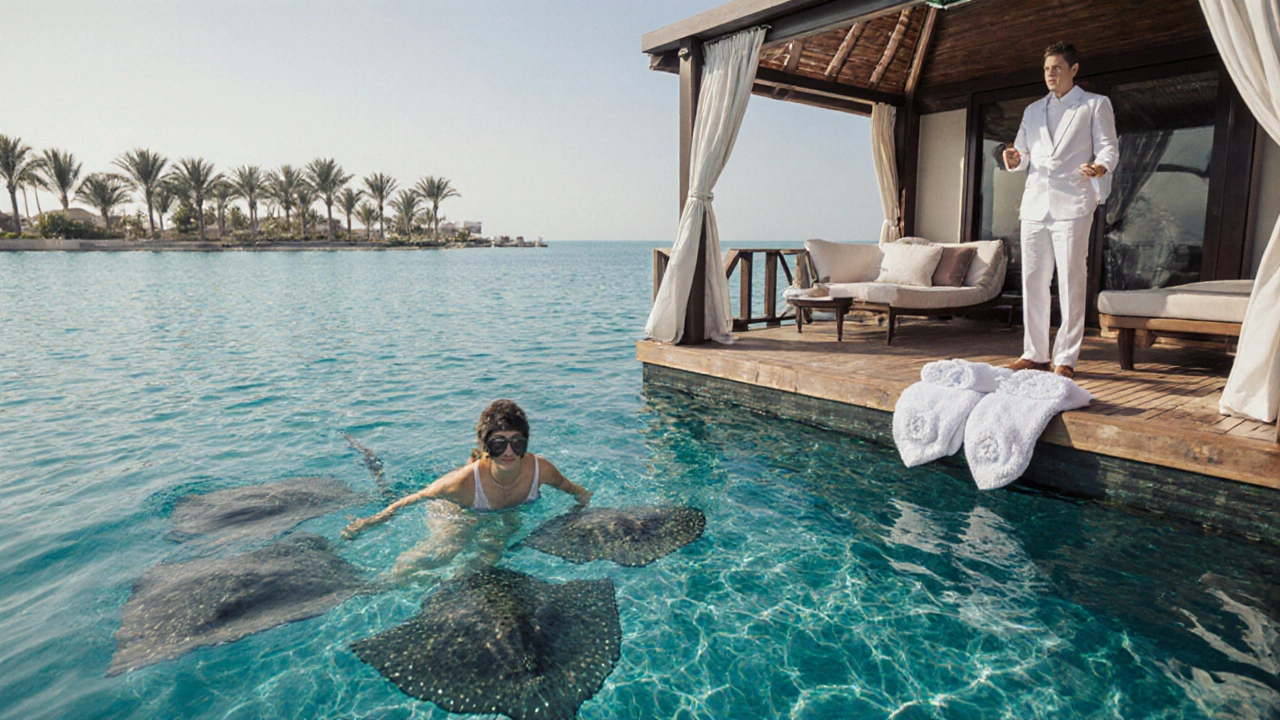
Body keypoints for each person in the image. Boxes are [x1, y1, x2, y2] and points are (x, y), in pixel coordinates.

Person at [342, 399, 591, 578]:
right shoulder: (461, 482)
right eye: (498, 444)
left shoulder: (541, 470)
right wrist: (368, 523)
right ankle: (382, 583)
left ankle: (448, 584)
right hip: (458, 511)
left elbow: (579, 493)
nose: (508, 452)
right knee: (446, 549)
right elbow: (415, 498)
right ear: (485, 448)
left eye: (516, 443)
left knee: (490, 557)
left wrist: (575, 519)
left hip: (505, 513)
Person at [1002, 42, 1118, 380]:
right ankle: (1035, 354)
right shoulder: (1033, 110)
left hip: (1073, 203)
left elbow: (1109, 146)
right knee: (1033, 281)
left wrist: (1100, 166)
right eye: (1046, 69)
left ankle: (1065, 358)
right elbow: (1021, 152)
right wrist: (1014, 159)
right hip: (1035, 205)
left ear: (1073, 70)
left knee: (1070, 281)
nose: (1050, 74)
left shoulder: (1095, 104)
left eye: (1056, 67)